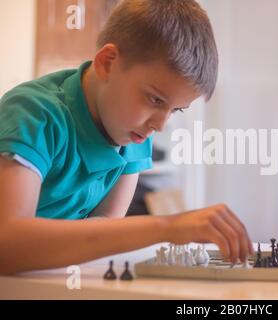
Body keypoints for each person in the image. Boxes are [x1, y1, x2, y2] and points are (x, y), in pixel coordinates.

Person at [0, 0, 253, 275]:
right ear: (107, 63)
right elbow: (7, 244)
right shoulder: (33, 114)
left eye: (176, 109)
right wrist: (167, 227)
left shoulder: (133, 131)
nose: (159, 125)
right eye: (155, 99)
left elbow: (106, 226)